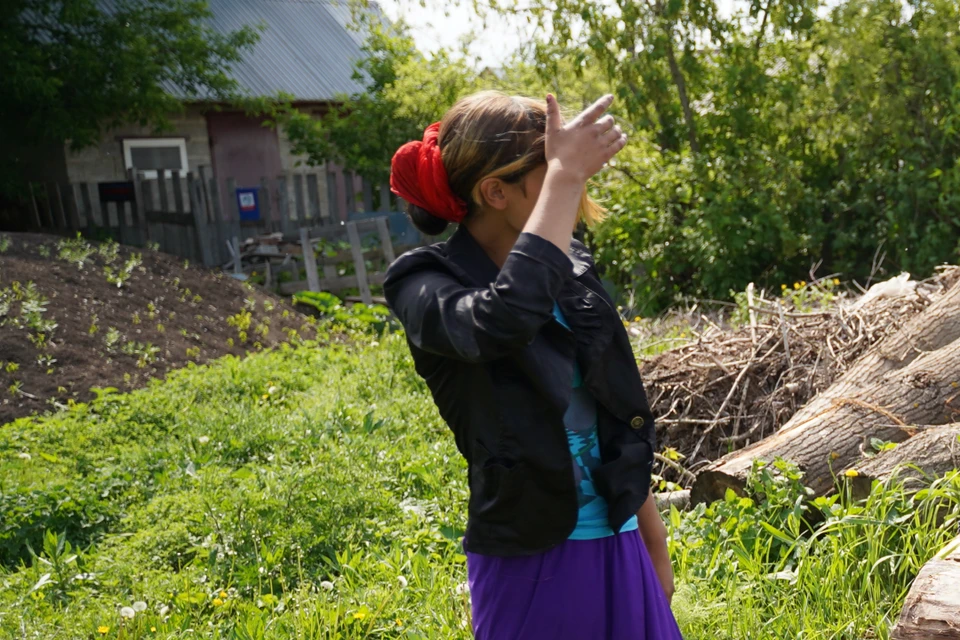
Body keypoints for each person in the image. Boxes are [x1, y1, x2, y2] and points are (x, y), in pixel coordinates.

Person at [384, 90, 683, 639]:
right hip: (531, 556)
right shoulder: (423, 282)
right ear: (495, 191)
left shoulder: (573, 271)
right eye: (552, 167)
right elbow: (499, 323)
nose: (572, 181)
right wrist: (567, 180)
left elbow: (613, 410)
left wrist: (651, 539)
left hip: (619, 540)